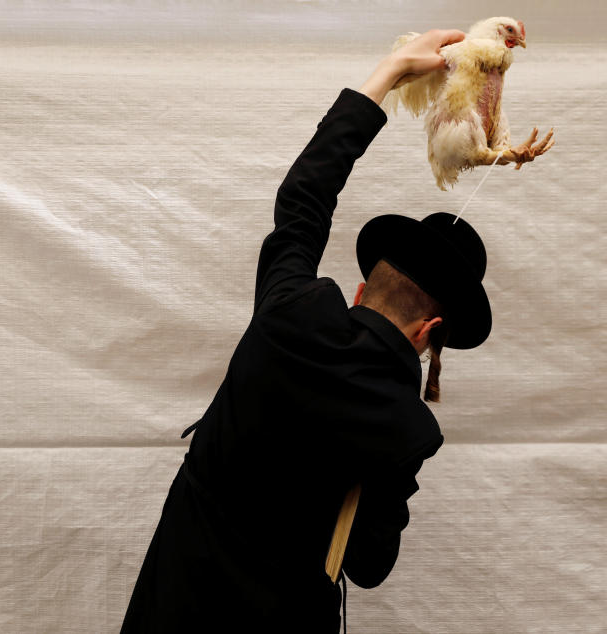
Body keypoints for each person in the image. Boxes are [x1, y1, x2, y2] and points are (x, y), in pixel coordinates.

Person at [120, 28, 493, 632]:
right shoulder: (408, 428)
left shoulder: (289, 309)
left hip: (173, 606)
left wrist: (391, 71)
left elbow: (303, 199)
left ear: (361, 291)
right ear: (433, 331)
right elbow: (370, 563)